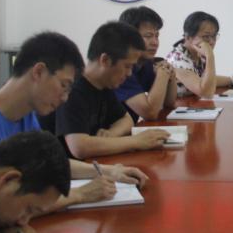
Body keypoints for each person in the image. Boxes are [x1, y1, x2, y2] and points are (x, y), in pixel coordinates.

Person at [0, 31, 148, 233]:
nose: (65, 98)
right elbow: (3, 204)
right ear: (38, 72)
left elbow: (49, 166)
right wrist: (80, 194)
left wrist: (108, 171)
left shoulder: (25, 115)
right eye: (64, 86)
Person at [42, 21, 171, 159]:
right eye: (127, 66)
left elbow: (126, 119)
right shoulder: (72, 88)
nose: (129, 74)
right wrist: (136, 141)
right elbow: (79, 147)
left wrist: (111, 134)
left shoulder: (104, 84)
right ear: (105, 60)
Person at [166, 11, 233, 98]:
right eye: (206, 36)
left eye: (214, 36)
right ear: (188, 37)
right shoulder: (177, 59)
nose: (212, 41)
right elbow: (206, 93)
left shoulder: (197, 53)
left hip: (191, 104)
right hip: (175, 109)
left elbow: (208, 80)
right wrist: (210, 56)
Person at [115, 6, 177, 121]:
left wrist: (170, 74)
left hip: (130, 129)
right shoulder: (120, 68)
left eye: (157, 36)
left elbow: (169, 103)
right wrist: (162, 75)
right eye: (148, 36)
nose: (155, 42)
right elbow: (150, 113)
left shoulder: (146, 63)